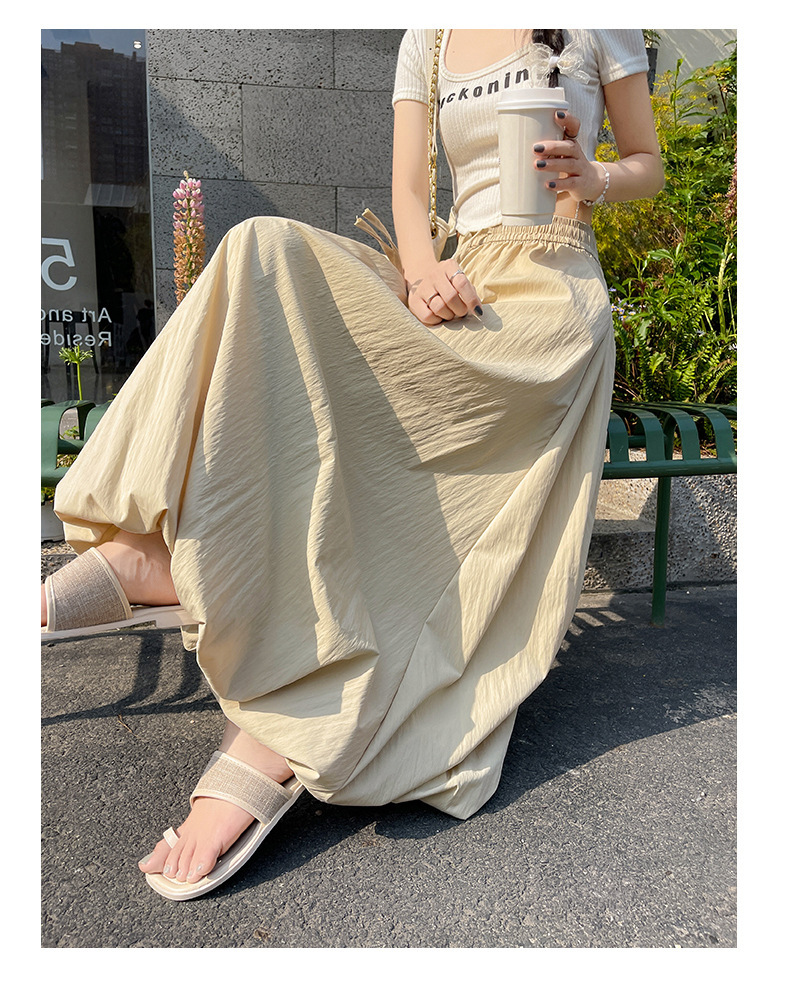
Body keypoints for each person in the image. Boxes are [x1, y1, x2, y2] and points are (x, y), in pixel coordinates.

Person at [41, 29, 664, 900]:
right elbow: (409, 191)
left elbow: (647, 164)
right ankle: (159, 549)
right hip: (456, 285)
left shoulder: (598, 24)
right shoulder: (432, 35)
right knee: (264, 250)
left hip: (549, 310)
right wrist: (423, 273)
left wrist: (593, 178)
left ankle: (281, 719)